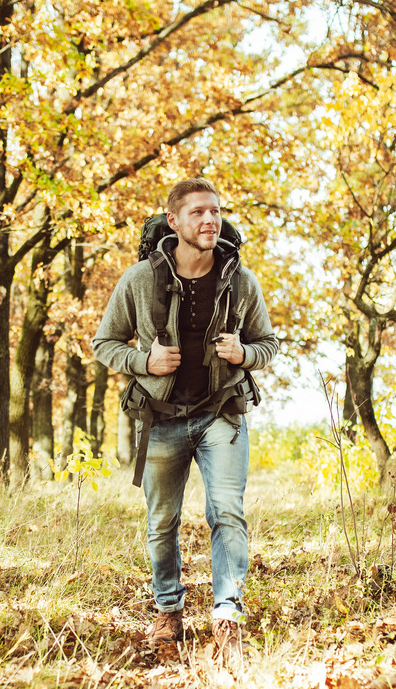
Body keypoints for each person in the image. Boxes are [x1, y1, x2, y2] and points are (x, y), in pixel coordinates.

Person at [93, 178, 278, 660]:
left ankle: (228, 615)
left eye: (215, 211)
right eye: (197, 212)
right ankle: (168, 610)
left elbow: (268, 345)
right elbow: (104, 343)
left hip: (221, 413)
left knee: (227, 512)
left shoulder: (241, 280)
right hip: (160, 417)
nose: (209, 220)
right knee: (161, 521)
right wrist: (143, 363)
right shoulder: (139, 279)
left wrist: (245, 353)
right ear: (173, 221)